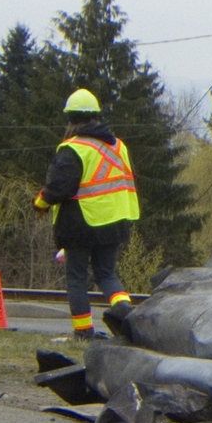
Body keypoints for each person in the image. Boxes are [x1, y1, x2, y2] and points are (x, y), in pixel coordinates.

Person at [33, 88, 140, 340]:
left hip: (81, 222)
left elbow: (59, 188)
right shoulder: (118, 146)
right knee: (106, 274)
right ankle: (126, 316)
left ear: (70, 119)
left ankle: (83, 332)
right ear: (96, 116)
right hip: (115, 219)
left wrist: (40, 202)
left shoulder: (73, 148)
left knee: (77, 277)